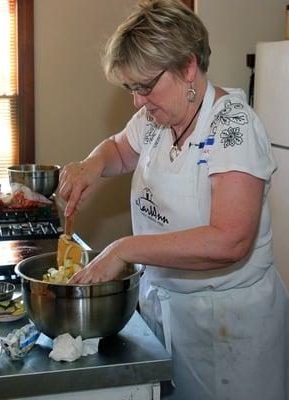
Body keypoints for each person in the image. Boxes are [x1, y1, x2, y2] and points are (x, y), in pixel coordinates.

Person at [59, 1, 289, 399]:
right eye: (131, 89)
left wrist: (125, 249)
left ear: (187, 66)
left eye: (145, 87)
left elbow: (230, 240)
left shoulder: (233, 126)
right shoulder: (157, 117)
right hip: (165, 312)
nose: (138, 101)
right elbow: (119, 149)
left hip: (227, 329)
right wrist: (91, 164)